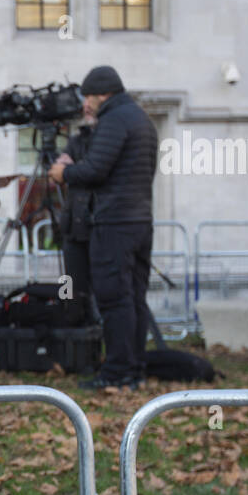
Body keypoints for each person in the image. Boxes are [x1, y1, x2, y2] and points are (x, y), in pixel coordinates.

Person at [48, 65, 158, 389]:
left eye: (89, 98)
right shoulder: (139, 117)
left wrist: (62, 174)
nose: (87, 105)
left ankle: (117, 371)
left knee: (114, 300)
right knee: (134, 297)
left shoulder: (115, 119)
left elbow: (97, 169)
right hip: (140, 220)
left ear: (100, 94)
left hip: (114, 224)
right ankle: (134, 368)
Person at [57, 105, 99, 323]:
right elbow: (58, 173)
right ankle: (73, 330)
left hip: (98, 226)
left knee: (100, 289)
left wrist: (74, 170)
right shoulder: (76, 141)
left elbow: (96, 171)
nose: (86, 109)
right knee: (71, 287)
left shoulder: (110, 140)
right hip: (73, 227)